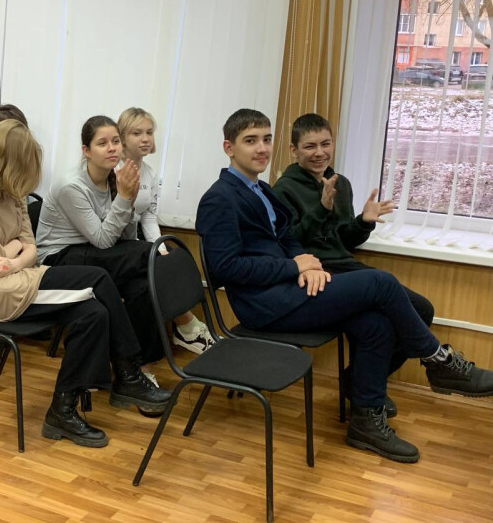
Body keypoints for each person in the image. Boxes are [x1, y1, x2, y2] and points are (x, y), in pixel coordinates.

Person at [196, 108, 493, 463]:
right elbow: (225, 268)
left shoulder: (259, 189)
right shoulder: (219, 197)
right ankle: (438, 360)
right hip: (264, 305)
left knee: (375, 323)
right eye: (250, 141)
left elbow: (287, 237)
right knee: (381, 283)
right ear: (229, 148)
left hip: (288, 288)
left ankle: (366, 422)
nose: (262, 148)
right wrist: (294, 266)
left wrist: (307, 263)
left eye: (266, 139)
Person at [0, 119, 171, 447]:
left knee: (94, 314)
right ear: (2, 159)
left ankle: (62, 411)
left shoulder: (9, 187)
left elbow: (29, 247)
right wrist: (15, 253)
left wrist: (15, 256)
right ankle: (128, 374)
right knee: (98, 278)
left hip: (23, 276)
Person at [272, 112, 436, 412]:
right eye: (310, 146)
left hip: (346, 266)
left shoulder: (340, 183)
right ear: (294, 150)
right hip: (318, 273)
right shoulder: (283, 189)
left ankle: (357, 381)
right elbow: (291, 244)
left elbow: (344, 241)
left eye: (325, 144)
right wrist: (321, 209)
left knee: (422, 309)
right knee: (379, 321)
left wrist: (364, 221)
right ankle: (371, 386)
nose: (319, 152)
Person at [36, 116, 166, 371]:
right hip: (58, 258)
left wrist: (128, 200)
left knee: (141, 285)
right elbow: (104, 240)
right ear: (86, 151)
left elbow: (124, 237)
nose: (112, 148)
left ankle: (140, 367)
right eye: (102, 143)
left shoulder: (114, 179)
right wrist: (124, 198)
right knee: (148, 254)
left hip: (91, 250)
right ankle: (183, 323)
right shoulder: (72, 186)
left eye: (116, 142)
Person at [117, 107, 215, 354]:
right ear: (122, 137)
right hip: (116, 241)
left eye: (149, 132)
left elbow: (148, 216)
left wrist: (158, 246)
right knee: (154, 268)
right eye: (137, 133)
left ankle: (187, 329)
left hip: (136, 238)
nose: (145, 139)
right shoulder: (113, 168)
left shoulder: (149, 172)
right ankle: (188, 327)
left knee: (172, 256)